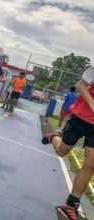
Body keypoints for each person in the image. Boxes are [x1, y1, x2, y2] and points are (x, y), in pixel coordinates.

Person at [41, 66, 94, 220]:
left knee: (91, 164)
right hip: (81, 117)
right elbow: (80, 85)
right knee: (61, 152)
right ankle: (54, 137)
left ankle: (70, 204)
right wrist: (92, 103)